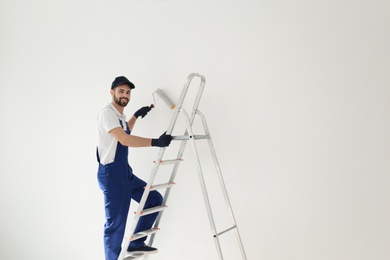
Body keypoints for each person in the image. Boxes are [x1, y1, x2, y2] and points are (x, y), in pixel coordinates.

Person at [96, 76, 172, 260]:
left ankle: (136, 243)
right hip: (111, 174)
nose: (125, 95)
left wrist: (136, 115)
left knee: (153, 198)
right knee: (115, 224)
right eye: (121, 91)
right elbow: (124, 139)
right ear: (112, 92)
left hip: (124, 172)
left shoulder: (118, 116)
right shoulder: (107, 113)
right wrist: (155, 142)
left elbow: (124, 131)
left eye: (128, 92)